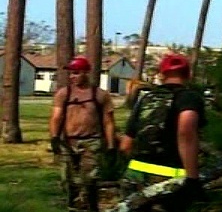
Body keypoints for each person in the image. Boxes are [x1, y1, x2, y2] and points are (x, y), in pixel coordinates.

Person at [116, 54, 207, 212]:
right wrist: (193, 179)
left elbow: (125, 145)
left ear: (161, 75)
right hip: (169, 179)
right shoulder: (189, 98)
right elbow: (186, 132)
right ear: (188, 75)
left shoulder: (146, 99)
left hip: (134, 175)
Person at [49, 56, 116, 212]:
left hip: (91, 142)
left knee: (90, 179)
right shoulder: (63, 94)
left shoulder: (100, 95)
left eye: (76, 73)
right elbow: (56, 117)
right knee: (69, 179)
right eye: (71, 73)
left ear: (86, 72)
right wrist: (54, 138)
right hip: (68, 142)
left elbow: (108, 122)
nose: (73, 77)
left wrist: (111, 145)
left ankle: (92, 207)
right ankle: (73, 206)